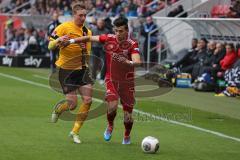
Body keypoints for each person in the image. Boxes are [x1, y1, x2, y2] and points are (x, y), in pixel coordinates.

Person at [63, 17, 141, 144]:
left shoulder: (132, 44)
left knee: (128, 116)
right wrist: (70, 41)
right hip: (111, 79)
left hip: (127, 82)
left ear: (127, 30)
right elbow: (88, 38)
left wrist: (127, 61)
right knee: (112, 107)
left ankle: (127, 135)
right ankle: (110, 125)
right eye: (116, 31)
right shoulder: (109, 38)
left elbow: (137, 62)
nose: (118, 34)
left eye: (120, 31)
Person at [48, 2, 93, 144]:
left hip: (82, 69)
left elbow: (88, 53)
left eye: (85, 15)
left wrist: (83, 49)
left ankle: (75, 132)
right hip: (66, 70)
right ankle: (59, 109)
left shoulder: (87, 32)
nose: (83, 18)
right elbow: (50, 45)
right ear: (74, 15)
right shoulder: (63, 27)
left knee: (88, 100)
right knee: (72, 104)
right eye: (80, 15)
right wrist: (58, 41)